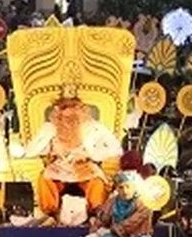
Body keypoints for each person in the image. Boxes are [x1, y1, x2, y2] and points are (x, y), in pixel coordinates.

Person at [25, 89, 124, 217]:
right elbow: (30, 151)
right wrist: (47, 137)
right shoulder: (50, 128)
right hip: (59, 168)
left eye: (73, 107)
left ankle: (96, 215)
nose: (69, 114)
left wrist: (90, 153)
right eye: (65, 108)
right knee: (44, 180)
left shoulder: (94, 128)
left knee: (97, 183)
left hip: (84, 168)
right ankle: (50, 217)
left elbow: (117, 149)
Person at [99, 171, 154, 237]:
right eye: (121, 187)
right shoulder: (113, 201)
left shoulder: (144, 202)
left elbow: (133, 222)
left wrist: (118, 228)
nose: (125, 191)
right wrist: (103, 215)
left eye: (128, 186)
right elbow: (102, 220)